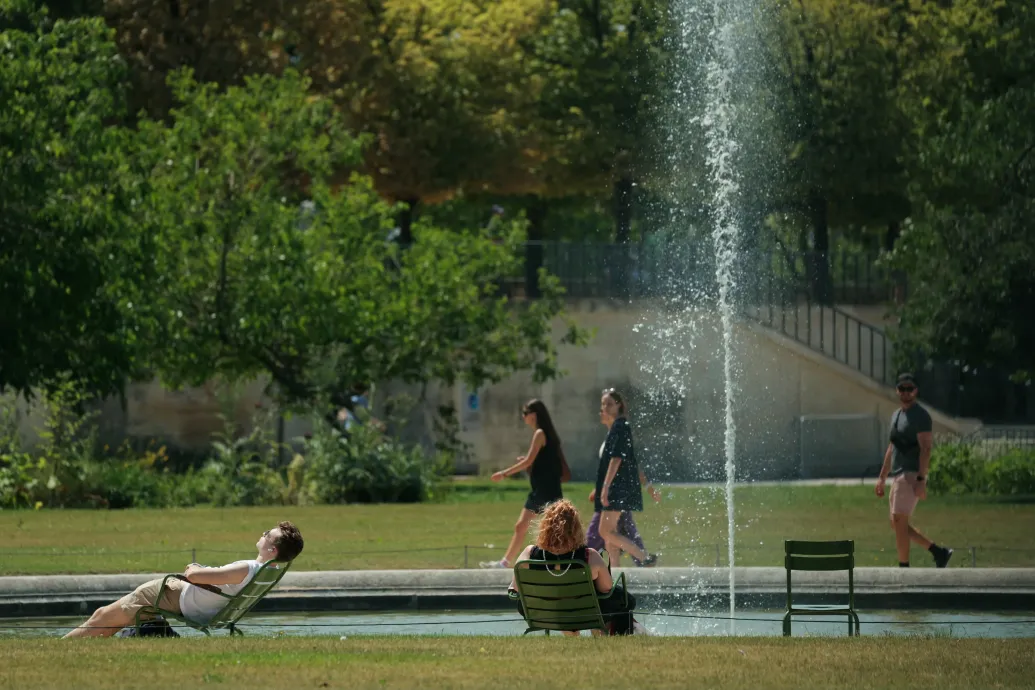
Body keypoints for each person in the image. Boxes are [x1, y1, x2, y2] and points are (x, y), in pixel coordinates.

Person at [63, 521, 304, 638]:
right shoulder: (265, 571)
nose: (263, 534)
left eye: (267, 535)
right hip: (192, 602)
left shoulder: (247, 568)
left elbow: (193, 576)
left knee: (103, 616)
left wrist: (195, 567)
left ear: (272, 550)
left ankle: (65, 647)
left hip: (174, 595)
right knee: (114, 618)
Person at [508, 499, 640, 636]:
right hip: (585, 613)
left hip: (545, 615)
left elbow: (515, 589)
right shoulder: (590, 556)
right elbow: (606, 589)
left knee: (561, 600)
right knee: (622, 600)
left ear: (544, 527)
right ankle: (600, 635)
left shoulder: (529, 554)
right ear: (576, 528)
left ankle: (572, 638)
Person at [875, 373, 953, 568]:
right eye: (902, 389)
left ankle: (904, 567)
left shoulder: (920, 416)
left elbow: (926, 448)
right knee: (896, 523)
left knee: (900, 520)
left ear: (916, 391)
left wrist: (921, 478)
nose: (906, 393)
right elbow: (892, 448)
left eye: (910, 389)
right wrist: (882, 477)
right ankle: (938, 552)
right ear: (897, 390)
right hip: (897, 474)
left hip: (910, 474)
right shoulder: (896, 415)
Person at [480, 399, 568, 569]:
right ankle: (505, 562)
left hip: (544, 490)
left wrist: (504, 473)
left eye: (525, 413)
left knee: (550, 529)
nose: (523, 417)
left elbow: (528, 462)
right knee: (530, 526)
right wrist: (529, 462)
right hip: (543, 488)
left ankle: (508, 562)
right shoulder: (544, 433)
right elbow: (539, 461)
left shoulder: (540, 434)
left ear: (534, 415)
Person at [595, 388, 656, 566]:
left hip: (617, 487)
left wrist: (605, 487)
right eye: (603, 404)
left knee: (605, 531)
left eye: (609, 404)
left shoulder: (620, 426)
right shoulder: (617, 426)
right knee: (610, 534)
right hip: (617, 487)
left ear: (618, 405)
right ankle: (614, 574)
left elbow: (617, 458)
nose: (605, 407)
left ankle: (644, 558)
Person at [586, 467, 661, 566]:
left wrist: (599, 490)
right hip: (622, 508)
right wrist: (650, 490)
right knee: (624, 537)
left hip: (608, 509)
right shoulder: (623, 461)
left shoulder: (612, 460)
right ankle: (640, 562)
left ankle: (643, 558)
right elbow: (639, 474)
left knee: (596, 539)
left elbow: (592, 496)